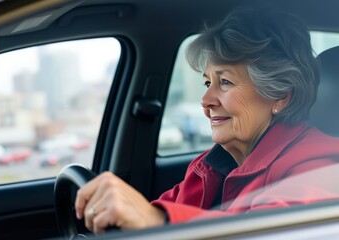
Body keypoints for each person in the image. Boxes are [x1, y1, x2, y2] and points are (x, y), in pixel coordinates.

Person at [75, 7, 339, 234]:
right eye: (207, 82)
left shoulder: (319, 169)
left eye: (225, 82)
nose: (206, 99)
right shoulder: (211, 166)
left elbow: (270, 234)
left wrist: (157, 221)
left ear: (280, 95)